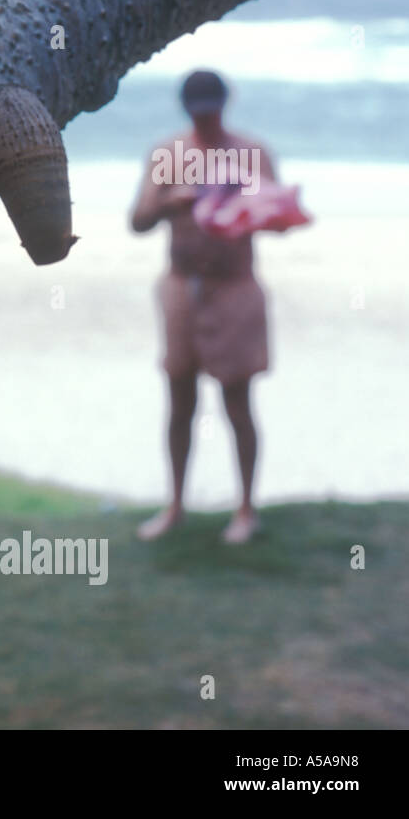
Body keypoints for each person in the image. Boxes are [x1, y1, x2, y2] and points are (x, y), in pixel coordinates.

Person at [130, 70, 278, 544]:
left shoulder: (251, 153)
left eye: (213, 112)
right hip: (181, 285)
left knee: (237, 400)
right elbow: (138, 220)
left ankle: (247, 509)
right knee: (179, 399)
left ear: (225, 106)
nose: (208, 122)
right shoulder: (169, 154)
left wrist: (245, 206)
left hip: (235, 286)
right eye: (200, 114)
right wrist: (176, 201)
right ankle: (175, 505)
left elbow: (278, 216)